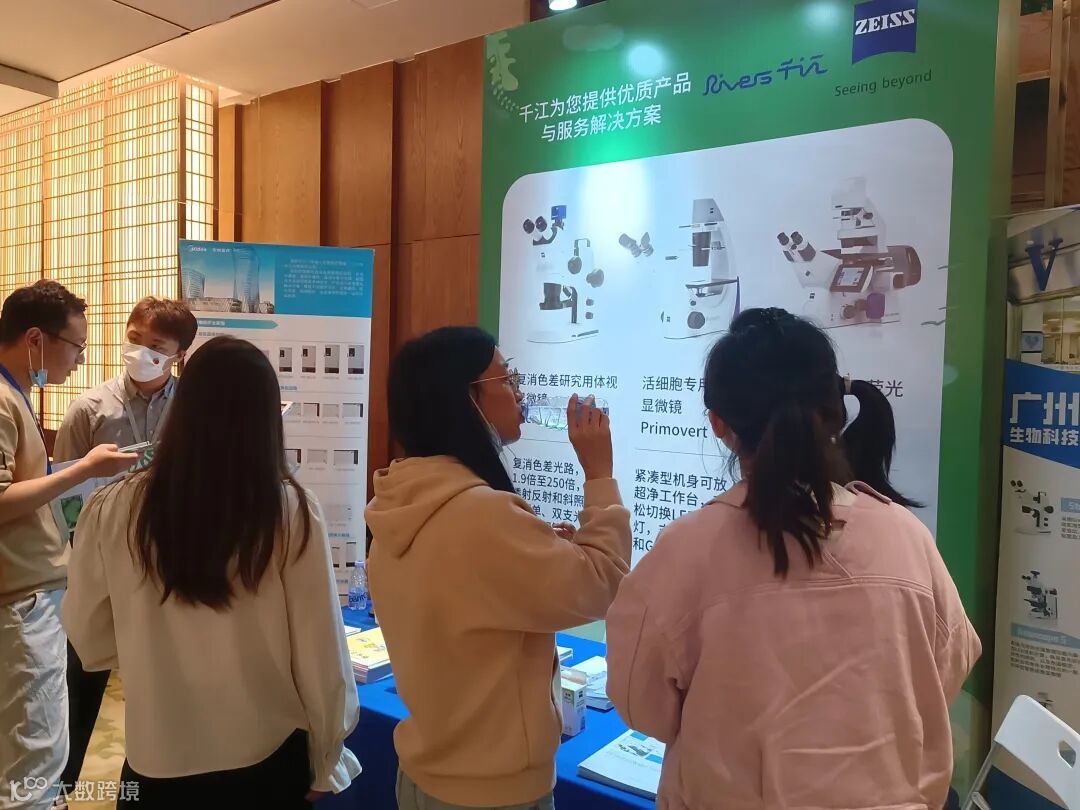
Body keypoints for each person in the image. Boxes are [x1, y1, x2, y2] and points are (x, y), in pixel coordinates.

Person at [605, 308, 981, 810]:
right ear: (837, 411)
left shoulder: (686, 551)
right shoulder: (906, 536)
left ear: (719, 423)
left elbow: (641, 704)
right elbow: (946, 672)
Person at [62, 336, 361, 809]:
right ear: (266, 417)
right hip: (265, 755)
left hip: (156, 755)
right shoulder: (288, 508)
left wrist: (152, 647)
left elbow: (87, 635)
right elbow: (320, 650)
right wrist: (328, 756)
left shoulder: (112, 505)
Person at [366, 326, 631, 810]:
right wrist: (599, 475)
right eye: (508, 379)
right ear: (467, 397)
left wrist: (537, 545)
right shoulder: (481, 514)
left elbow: (466, 596)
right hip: (492, 794)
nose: (520, 392)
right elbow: (604, 584)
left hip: (425, 776)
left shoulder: (401, 496)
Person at [0, 280, 138, 810]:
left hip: (31, 591)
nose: (79, 361)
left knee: (29, 747)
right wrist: (84, 469)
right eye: (76, 347)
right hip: (21, 599)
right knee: (35, 756)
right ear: (35, 338)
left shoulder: (17, 394)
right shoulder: (4, 400)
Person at [54, 296, 198, 789]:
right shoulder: (89, 408)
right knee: (80, 678)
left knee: (166, 683)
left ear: (178, 354)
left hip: (174, 563)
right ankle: (63, 784)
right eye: (135, 338)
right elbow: (63, 497)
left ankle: (161, 781)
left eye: (156, 346)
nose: (141, 352)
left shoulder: (195, 409)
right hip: (99, 563)